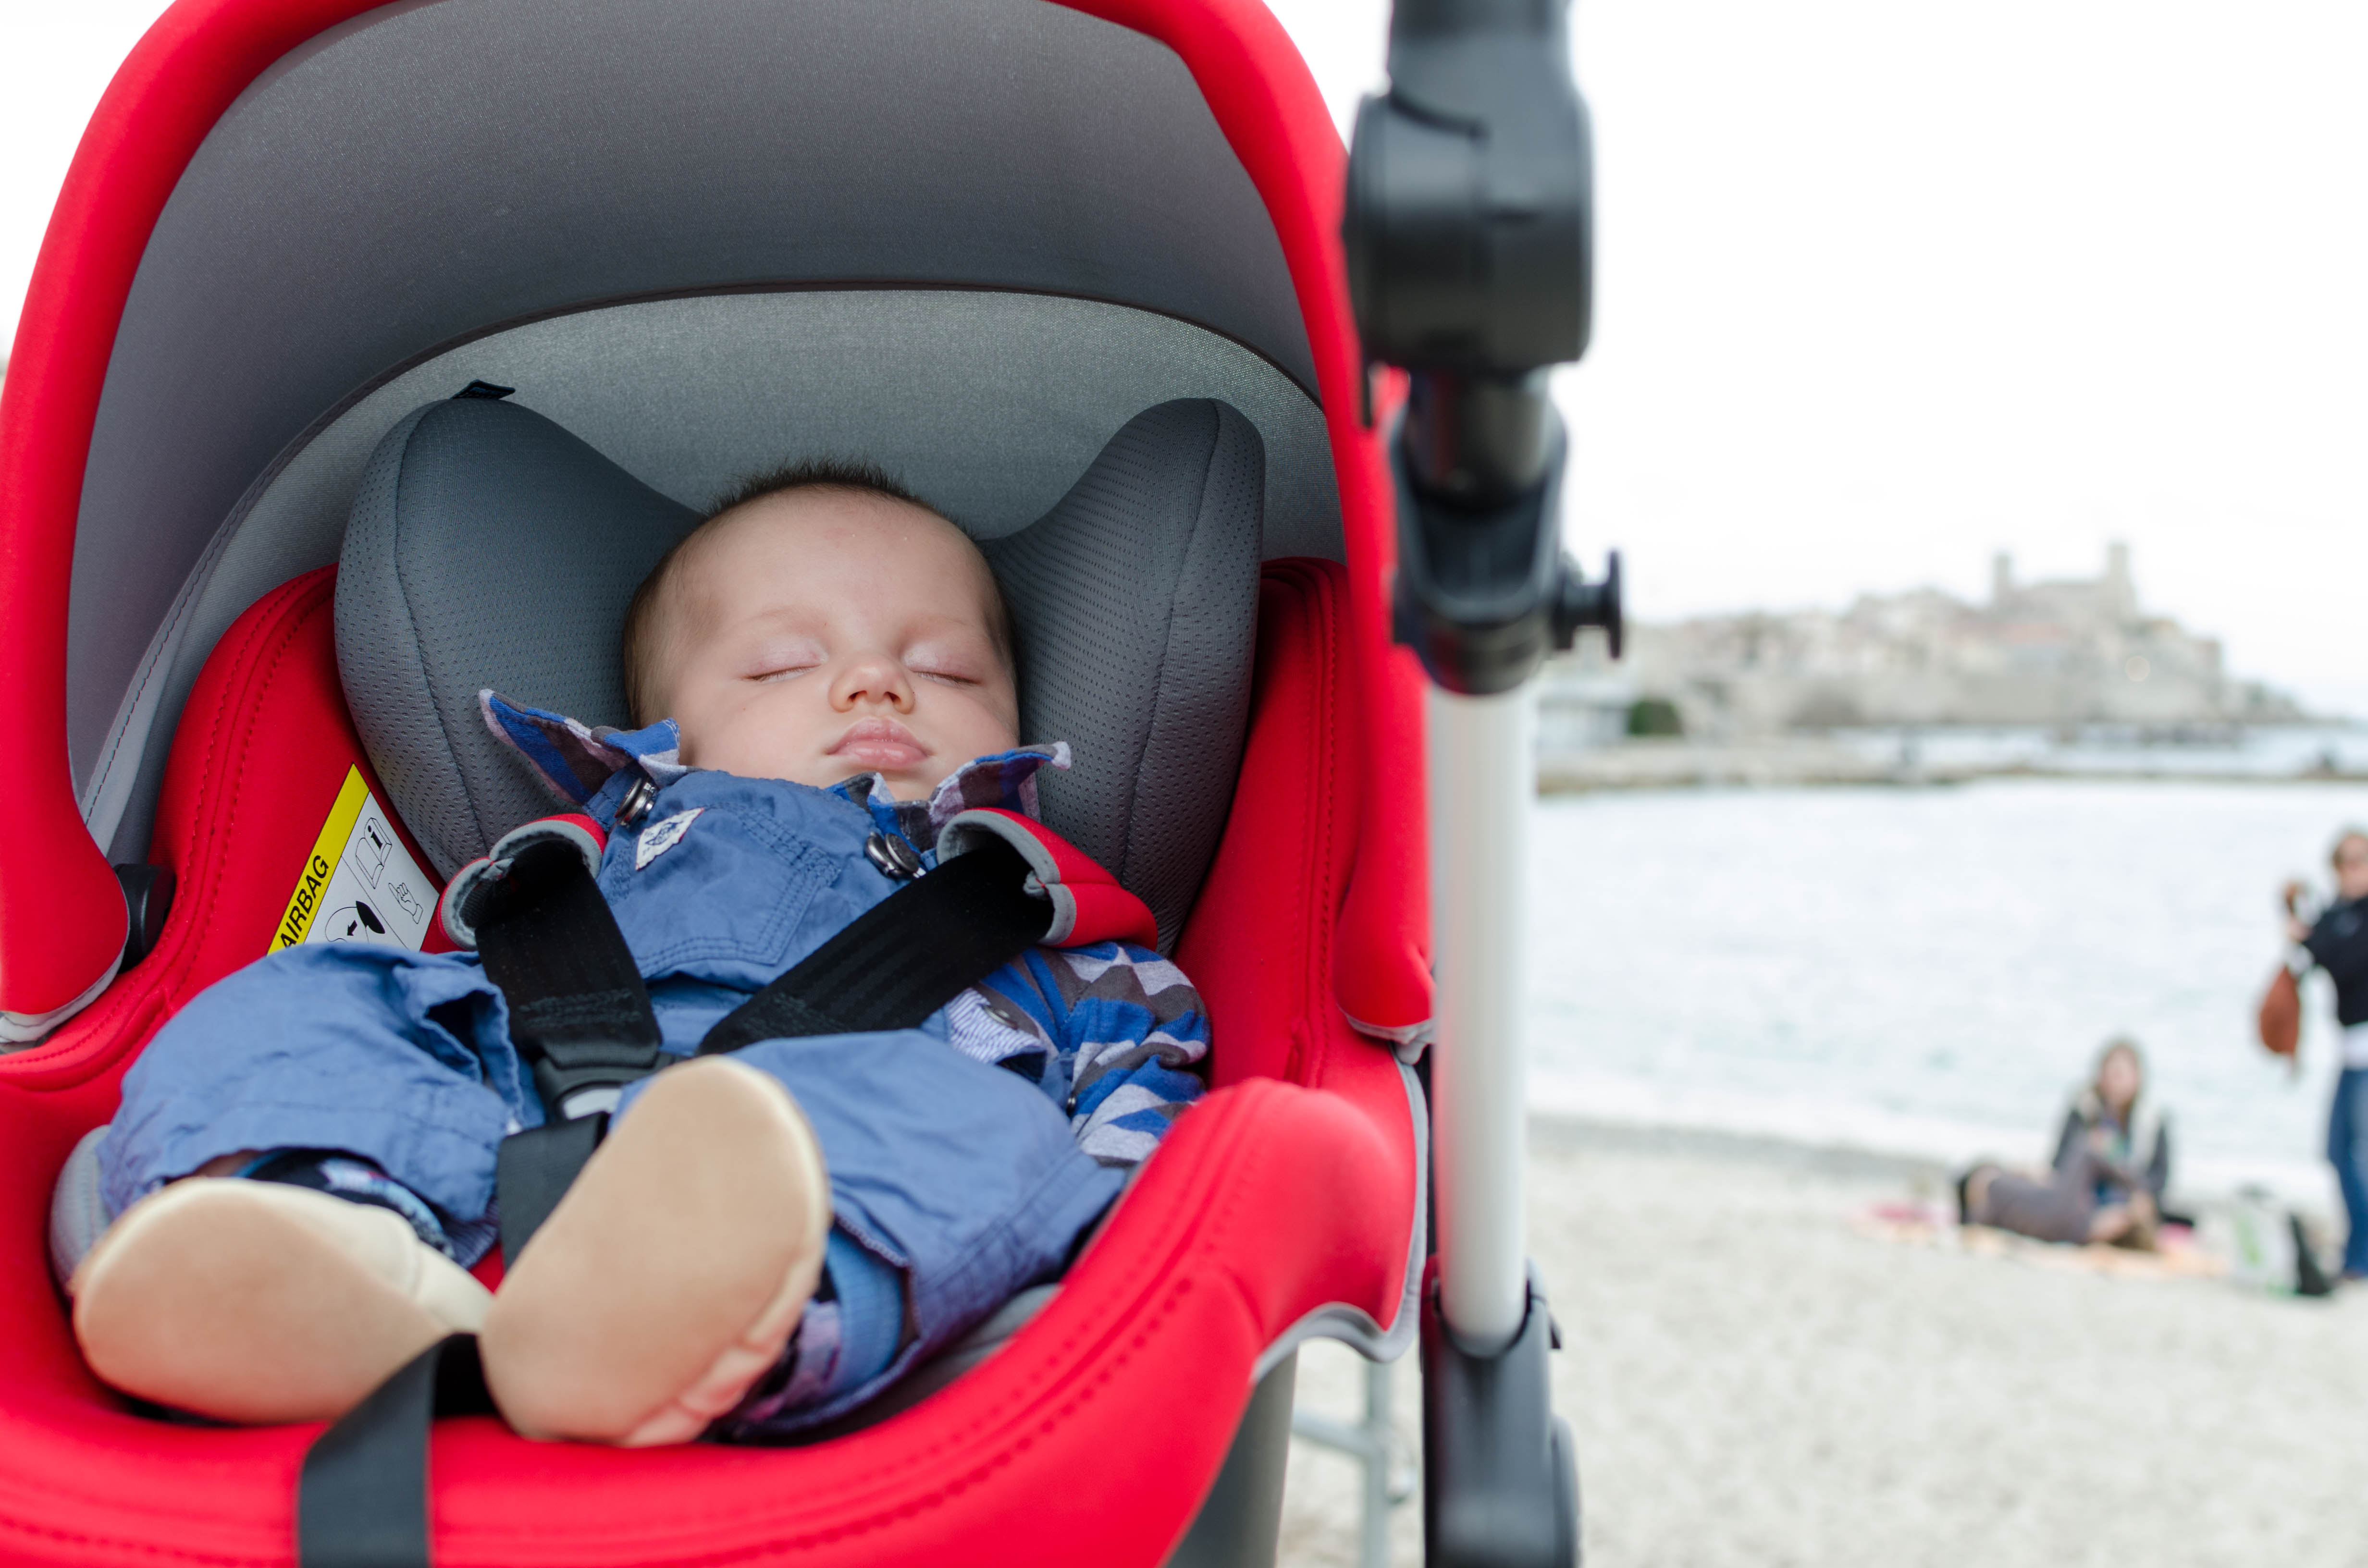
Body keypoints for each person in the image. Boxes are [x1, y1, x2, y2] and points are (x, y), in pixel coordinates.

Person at [58, 463, 1211, 1443]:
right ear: (662, 736)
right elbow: (444, 1001)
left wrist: (1115, 1239)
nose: (879, 682)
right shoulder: (566, 868)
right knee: (310, 1001)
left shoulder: (1039, 913)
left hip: (837, 1152)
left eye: (950, 668)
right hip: (536, 1079)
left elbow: (1144, 1085)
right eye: (780, 664)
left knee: (995, 1135)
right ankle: (327, 1238)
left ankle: (723, 1316)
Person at [1960, 1039, 2170, 1249]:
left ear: (2137, 1078)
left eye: (2121, 1074)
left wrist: (2135, 1200)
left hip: (2121, 1203)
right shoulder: (2084, 1108)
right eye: (2111, 1073)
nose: (2115, 1081)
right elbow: (2060, 1164)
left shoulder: (2151, 1121)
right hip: (2077, 1200)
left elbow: (2158, 1180)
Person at [2284, 827, 2368, 1282]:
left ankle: (2361, 1257)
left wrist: (2308, 938)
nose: (2351, 871)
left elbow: (2344, 960)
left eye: (2360, 861)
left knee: (2359, 1157)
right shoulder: (2340, 913)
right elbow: (2318, 953)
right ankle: (2356, 1250)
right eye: (2343, 863)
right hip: (2350, 1052)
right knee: (2338, 1152)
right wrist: (2302, 923)